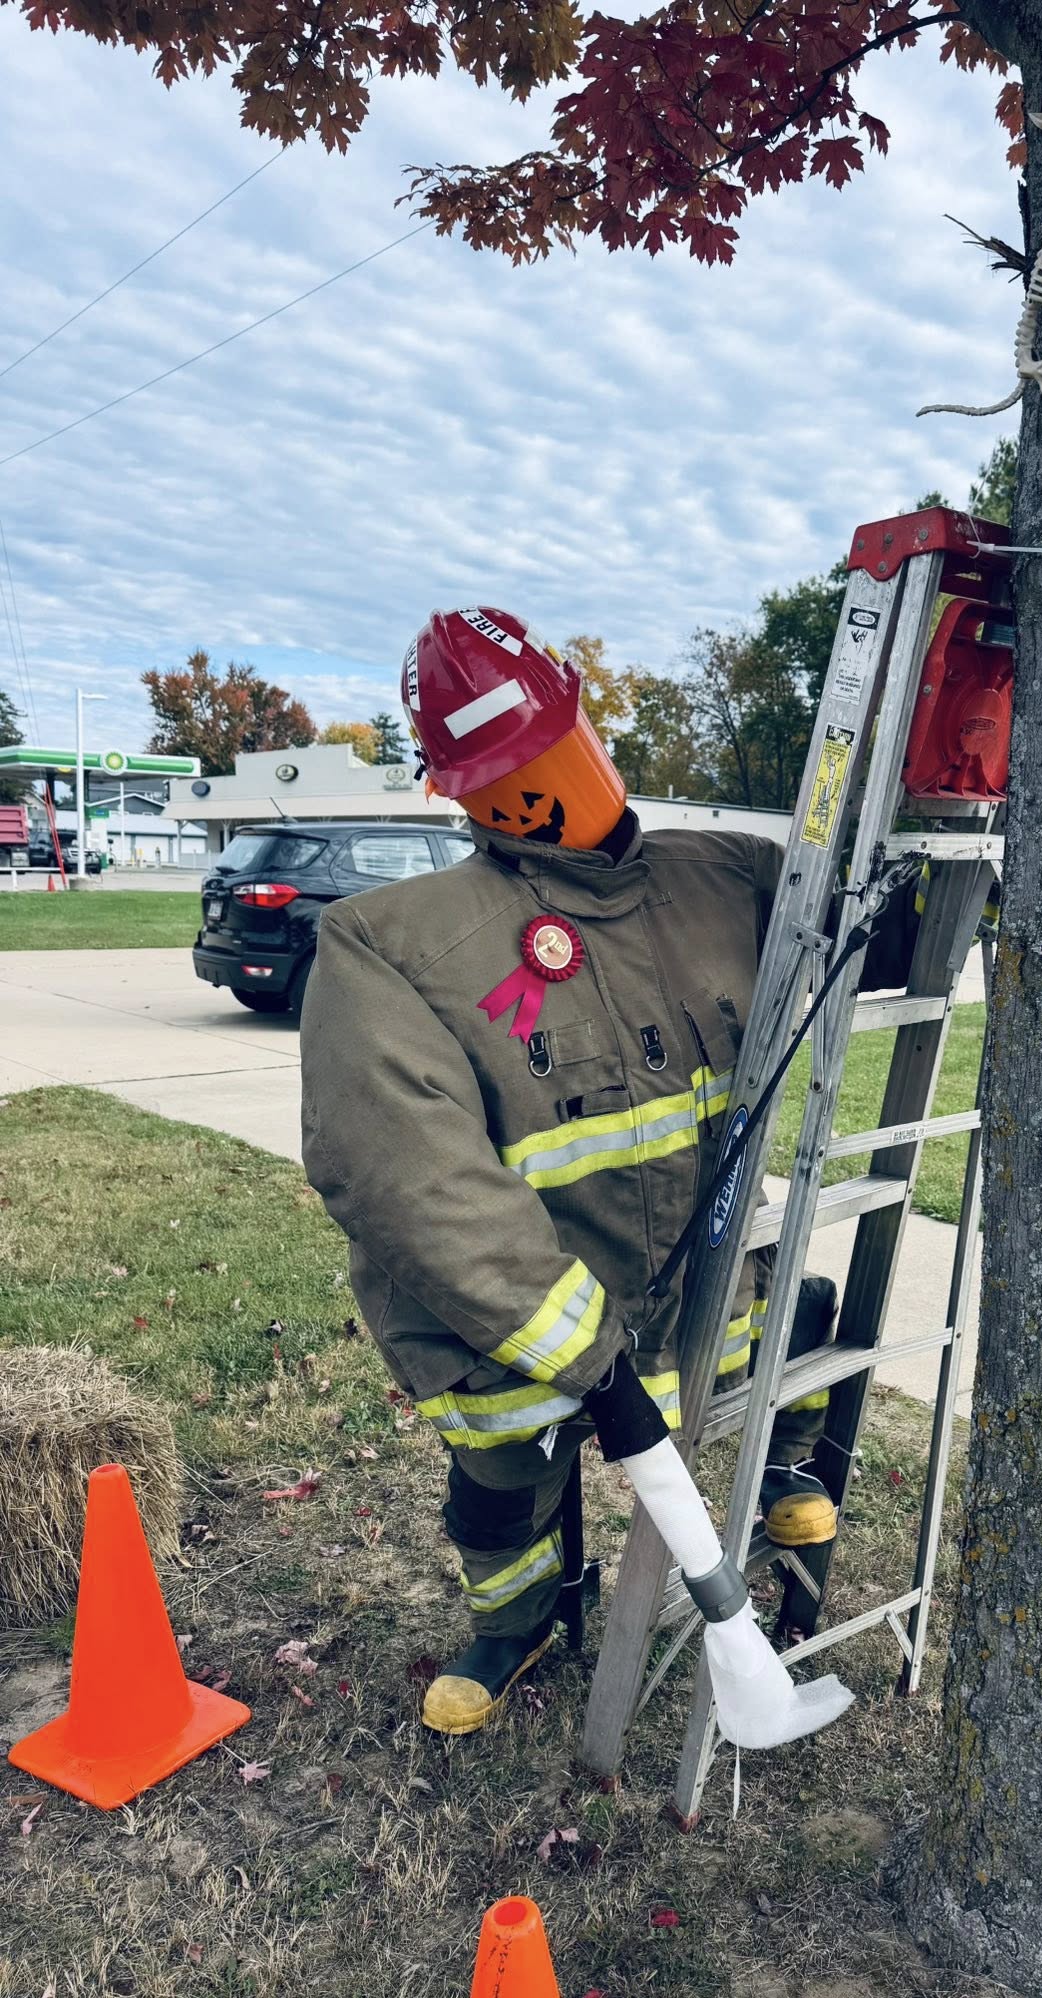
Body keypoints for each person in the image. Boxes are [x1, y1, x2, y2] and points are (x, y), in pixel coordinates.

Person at [300, 607, 851, 1740]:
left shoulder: (723, 879)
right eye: (507, 777)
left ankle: (778, 1481)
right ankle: (520, 1618)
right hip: (521, 1314)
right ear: (464, 796)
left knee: (778, 1350)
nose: (541, 792)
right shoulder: (393, 946)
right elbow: (409, 1179)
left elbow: (860, 928)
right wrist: (584, 1357)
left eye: (553, 753)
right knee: (505, 1476)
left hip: (700, 1283)